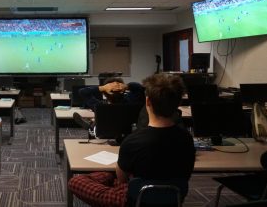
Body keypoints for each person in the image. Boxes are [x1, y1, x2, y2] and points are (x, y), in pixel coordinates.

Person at [68, 74, 196, 207]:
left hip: (134, 201)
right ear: (179, 103)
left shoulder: (133, 141)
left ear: (148, 102)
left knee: (76, 182)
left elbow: (122, 180)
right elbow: (186, 173)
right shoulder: (187, 139)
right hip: (173, 199)